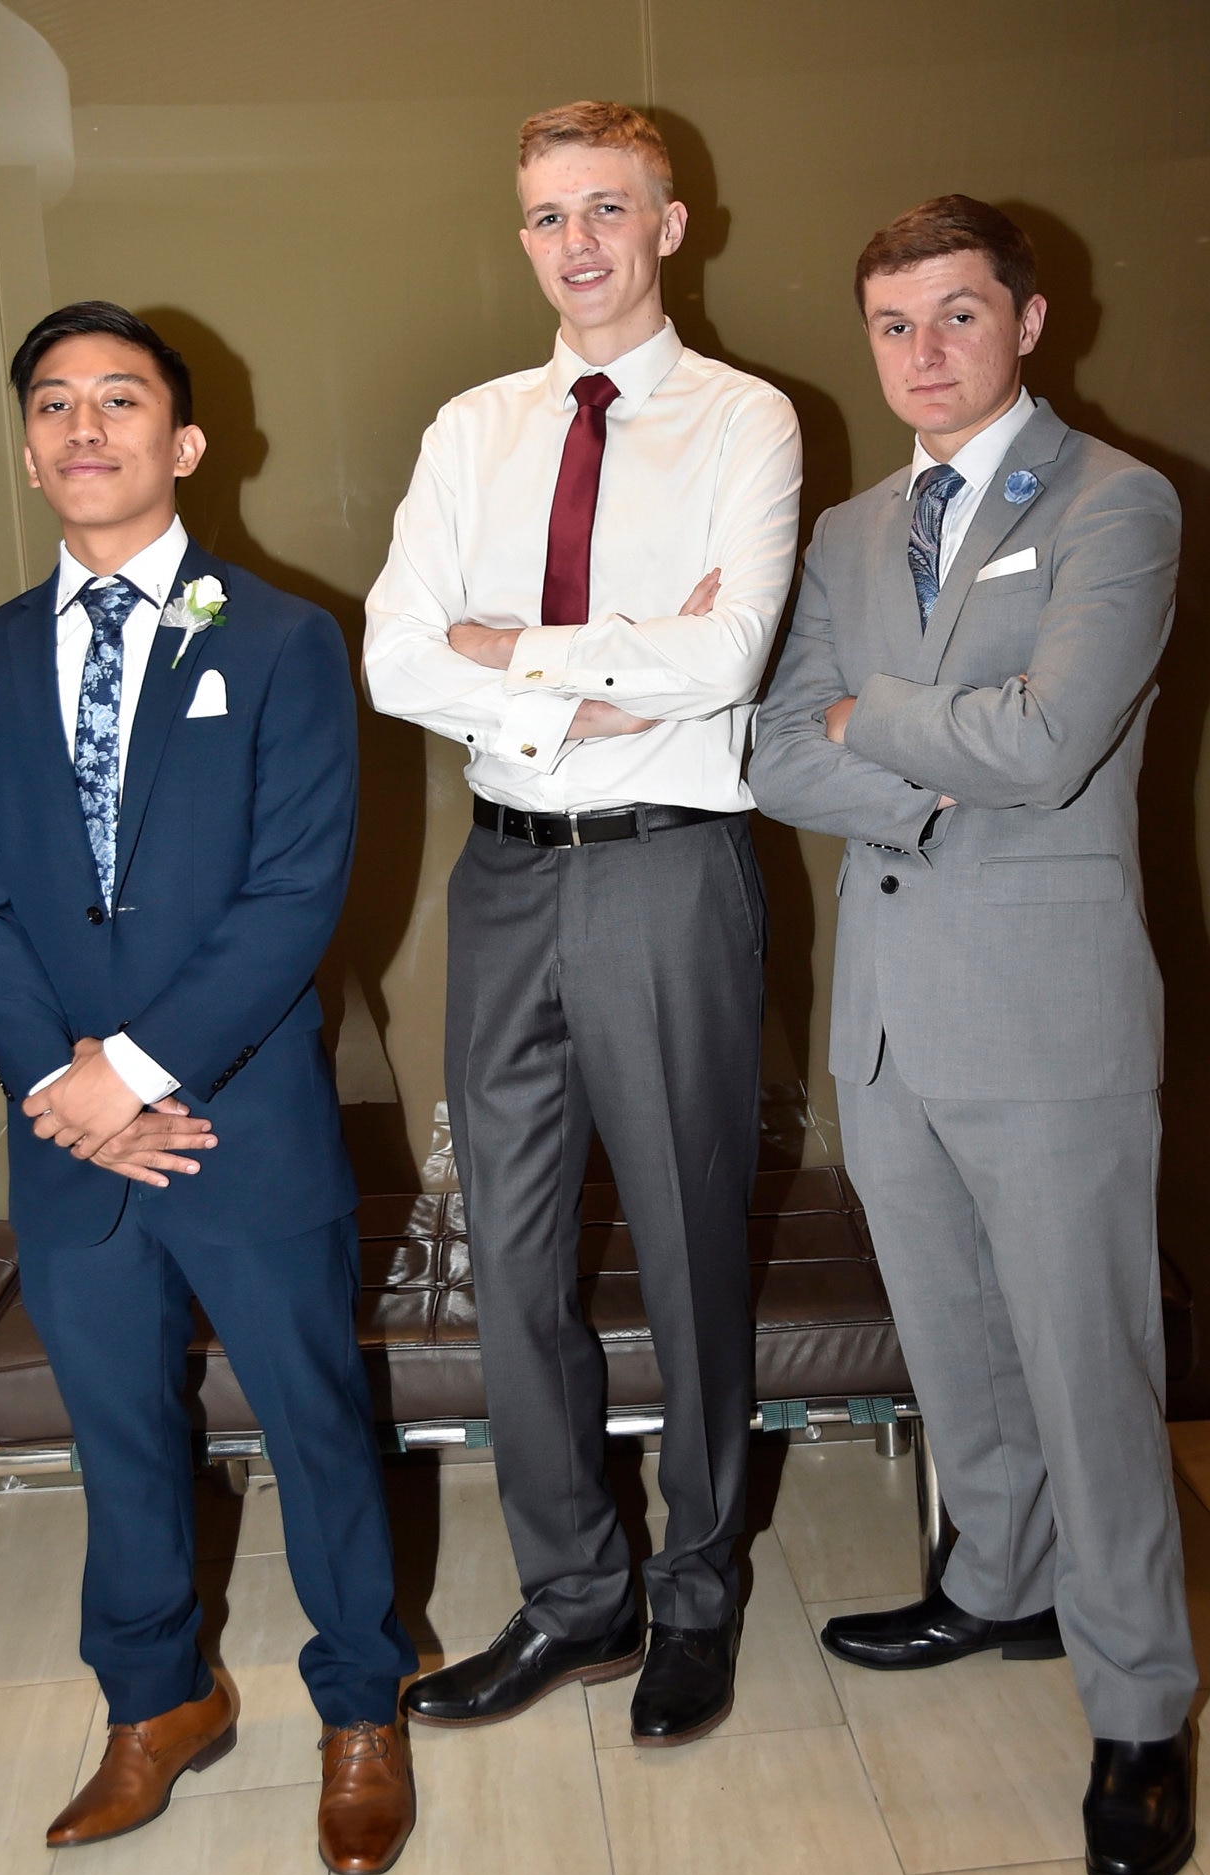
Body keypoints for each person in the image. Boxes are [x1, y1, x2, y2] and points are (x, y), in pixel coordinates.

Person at [0, 302, 417, 1875]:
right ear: (25, 446)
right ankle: (156, 1700)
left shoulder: (279, 638)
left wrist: (133, 1072)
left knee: (315, 1416)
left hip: (238, 1113)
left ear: (183, 442)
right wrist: (57, 1090)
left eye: (119, 399)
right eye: (55, 403)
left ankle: (359, 1705)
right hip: (67, 1131)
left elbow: (295, 892)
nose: (85, 425)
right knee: (118, 1431)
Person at [750, 196, 1197, 1875]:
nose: (920, 354)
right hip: (885, 1017)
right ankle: (993, 1584)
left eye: (954, 316)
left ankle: (1140, 1702)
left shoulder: (1117, 498)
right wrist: (912, 751)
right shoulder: (852, 532)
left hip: (1048, 1014)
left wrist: (882, 725)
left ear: (1025, 320)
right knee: (952, 1347)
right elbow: (777, 751)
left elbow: (1055, 735)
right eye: (891, 325)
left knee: (1089, 1367)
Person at [364, 101, 800, 1746]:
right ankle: (573, 1596)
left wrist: (513, 659)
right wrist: (602, 667)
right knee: (510, 1254)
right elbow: (396, 658)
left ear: (671, 223)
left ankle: (696, 1591)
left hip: (667, 863)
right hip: (502, 874)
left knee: (690, 1245)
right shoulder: (472, 427)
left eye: (606, 210)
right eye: (547, 217)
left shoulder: (746, 421)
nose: (576, 246)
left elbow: (729, 657)